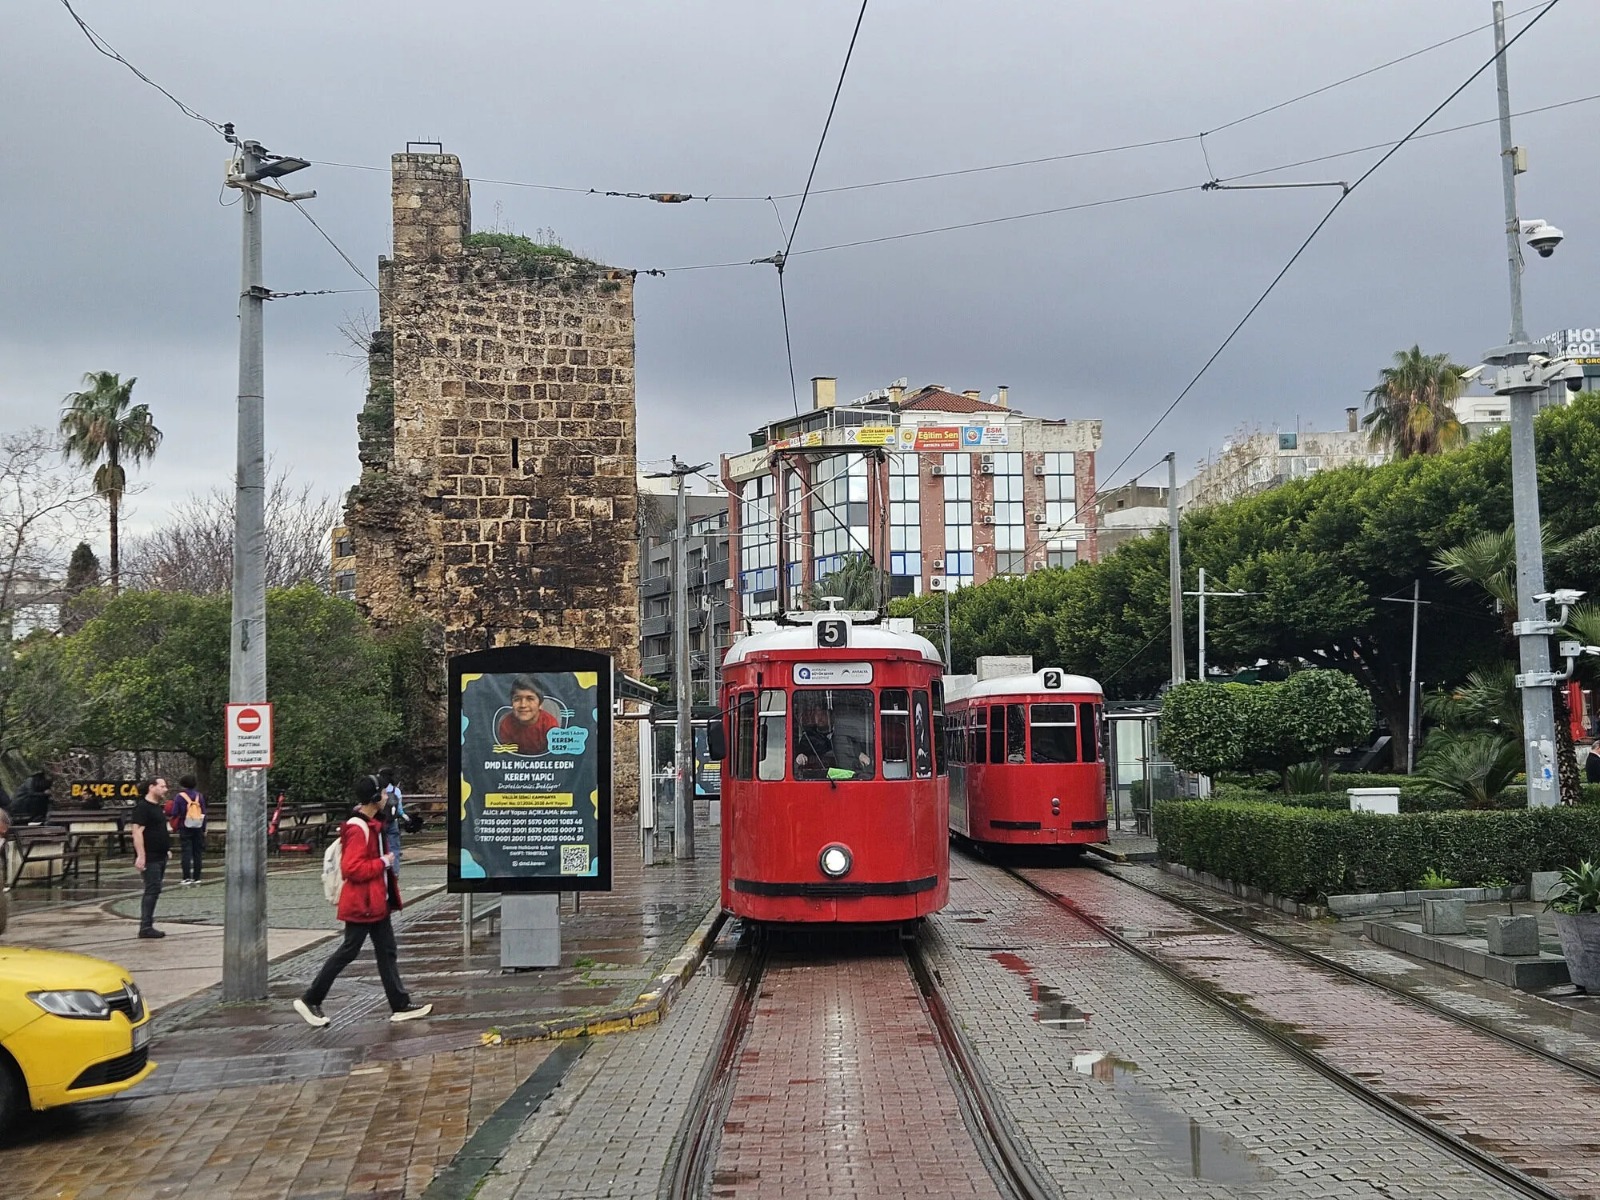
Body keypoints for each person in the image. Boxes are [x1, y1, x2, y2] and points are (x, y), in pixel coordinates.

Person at [293, 775, 431, 1028]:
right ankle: (311, 998)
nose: (387, 797)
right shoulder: (358, 828)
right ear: (374, 798)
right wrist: (383, 862)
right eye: (384, 793)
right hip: (363, 904)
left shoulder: (372, 824)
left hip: (376, 902)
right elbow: (352, 868)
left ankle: (400, 1004)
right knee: (349, 950)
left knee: (387, 950)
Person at [129, 777, 171, 939]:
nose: (165, 789)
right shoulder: (143, 807)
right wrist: (141, 855)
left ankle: (147, 924)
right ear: (151, 787)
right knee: (152, 889)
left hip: (160, 854)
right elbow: (137, 832)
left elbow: (159, 829)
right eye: (162, 786)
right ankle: (145, 926)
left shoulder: (157, 807)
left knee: (155, 889)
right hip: (150, 856)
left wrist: (166, 849)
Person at [793, 706, 869, 779]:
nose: (819, 717)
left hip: (847, 778)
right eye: (817, 714)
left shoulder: (846, 735)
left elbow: (862, 756)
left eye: (823, 714)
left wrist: (859, 754)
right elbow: (799, 757)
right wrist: (800, 756)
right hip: (818, 779)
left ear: (832, 716)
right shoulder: (808, 737)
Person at [496, 675, 559, 755]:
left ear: (540, 704)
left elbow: (552, 755)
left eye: (530, 699)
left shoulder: (550, 724)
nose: (523, 705)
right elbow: (507, 756)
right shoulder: (506, 724)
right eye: (517, 699)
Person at [167, 774, 207, 886]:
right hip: (198, 826)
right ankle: (197, 877)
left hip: (184, 826)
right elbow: (203, 813)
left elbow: (175, 812)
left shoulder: (180, 796)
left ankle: (186, 877)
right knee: (197, 853)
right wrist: (204, 828)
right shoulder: (199, 796)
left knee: (186, 852)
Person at [377, 766, 406, 877]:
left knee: (380, 847)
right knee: (394, 848)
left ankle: (382, 871)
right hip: (393, 821)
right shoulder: (396, 791)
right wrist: (405, 817)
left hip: (380, 821)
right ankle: (395, 872)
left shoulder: (379, 790)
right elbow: (399, 810)